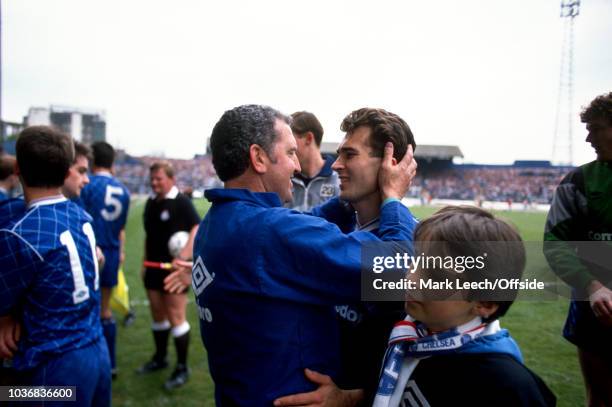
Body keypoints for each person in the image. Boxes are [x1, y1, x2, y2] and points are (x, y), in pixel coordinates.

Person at [193, 104, 417, 406]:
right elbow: (394, 268)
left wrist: (344, 203)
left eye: (349, 155)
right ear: (259, 158)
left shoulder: (217, 222)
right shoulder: (269, 231)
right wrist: (393, 201)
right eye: (289, 153)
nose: (298, 166)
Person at [276, 107, 417, 406]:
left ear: (389, 165)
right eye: (339, 154)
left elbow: (422, 367)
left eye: (349, 155)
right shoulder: (342, 225)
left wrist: (351, 398)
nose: (336, 165)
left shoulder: (418, 243)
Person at [374, 206, 556, 406]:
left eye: (436, 275)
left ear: (485, 302)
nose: (411, 279)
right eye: (416, 260)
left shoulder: (508, 388)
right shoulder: (400, 329)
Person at [0, 126, 110, 406]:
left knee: (7, 395)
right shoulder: (82, 216)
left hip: (55, 366)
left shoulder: (19, 235)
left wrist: (5, 317)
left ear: (18, 169)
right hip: (95, 351)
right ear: (65, 172)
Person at [544, 91, 612, 406]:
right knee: (600, 396)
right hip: (595, 312)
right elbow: (554, 245)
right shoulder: (578, 182)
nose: (588, 137)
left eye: (596, 127)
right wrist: (592, 286)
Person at [139, 161, 199, 390]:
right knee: (157, 315)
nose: (154, 183)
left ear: (171, 179)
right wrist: (144, 263)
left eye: (159, 179)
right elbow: (148, 235)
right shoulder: (150, 203)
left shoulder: (182, 202)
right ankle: (160, 358)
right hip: (153, 267)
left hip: (175, 271)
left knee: (176, 316)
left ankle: (183, 367)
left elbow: (197, 228)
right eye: (152, 179)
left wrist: (183, 256)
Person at [79, 141, 130, 379]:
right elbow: (121, 228)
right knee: (105, 309)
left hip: (88, 252)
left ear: (92, 160)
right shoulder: (124, 190)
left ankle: (94, 364)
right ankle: (111, 364)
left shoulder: (87, 185)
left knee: (86, 309)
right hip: (110, 252)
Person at [287, 111, 340, 211]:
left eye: (291, 141)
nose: (286, 148)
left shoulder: (340, 180)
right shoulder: (284, 181)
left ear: (309, 138)